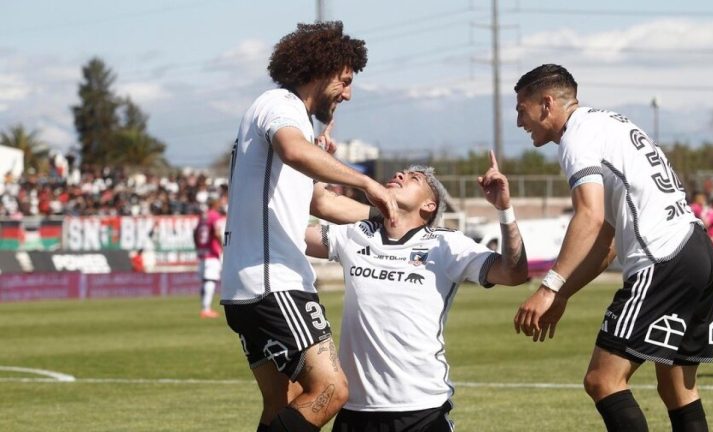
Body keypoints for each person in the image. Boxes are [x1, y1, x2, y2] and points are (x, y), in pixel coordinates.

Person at [512, 64, 713, 432]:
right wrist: (564, 293)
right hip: (697, 251)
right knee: (677, 390)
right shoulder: (609, 124)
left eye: (521, 109)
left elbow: (588, 217)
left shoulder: (577, 136)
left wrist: (548, 288)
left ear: (546, 104)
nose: (518, 122)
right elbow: (605, 241)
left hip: (663, 257)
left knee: (602, 380)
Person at [220, 21, 398, 432]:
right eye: (346, 81)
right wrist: (368, 182)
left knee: (281, 404)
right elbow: (293, 150)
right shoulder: (282, 105)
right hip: (273, 282)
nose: (348, 94)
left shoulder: (291, 120)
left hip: (247, 284)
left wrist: (386, 214)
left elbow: (319, 202)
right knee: (330, 390)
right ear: (322, 69)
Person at [304, 155, 528, 432]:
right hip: (356, 410)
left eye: (414, 178)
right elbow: (294, 234)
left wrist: (504, 208)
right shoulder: (355, 235)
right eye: (401, 173)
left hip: (422, 411)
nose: (400, 175)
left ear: (429, 205)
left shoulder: (446, 244)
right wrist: (315, 158)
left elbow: (513, 273)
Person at [193, 198, 226, 318]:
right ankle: (206, 309)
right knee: (210, 280)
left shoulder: (203, 216)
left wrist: (198, 246)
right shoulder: (215, 216)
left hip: (202, 252)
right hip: (212, 252)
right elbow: (217, 232)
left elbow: (195, 232)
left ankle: (204, 307)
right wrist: (222, 246)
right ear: (216, 204)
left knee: (205, 280)